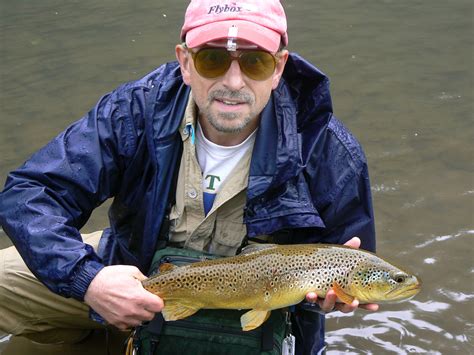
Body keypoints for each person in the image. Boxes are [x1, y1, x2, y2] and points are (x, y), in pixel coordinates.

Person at [0, 0, 378, 353]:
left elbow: (349, 264)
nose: (233, 81)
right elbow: (31, 192)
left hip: (251, 321)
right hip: (133, 273)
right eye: (213, 59)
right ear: (185, 61)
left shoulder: (329, 152)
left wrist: (333, 302)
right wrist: (89, 281)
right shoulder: (135, 111)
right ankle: (88, 334)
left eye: (255, 63)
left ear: (278, 68)